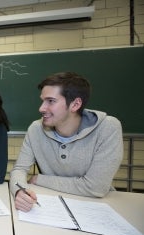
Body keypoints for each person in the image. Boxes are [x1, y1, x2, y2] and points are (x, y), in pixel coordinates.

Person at [10, 72, 123, 212]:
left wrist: (40, 179)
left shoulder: (108, 128)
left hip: (96, 207)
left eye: (50, 101)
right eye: (42, 100)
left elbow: (96, 188)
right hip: (49, 204)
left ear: (75, 104)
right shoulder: (36, 129)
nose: (41, 108)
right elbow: (19, 170)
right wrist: (20, 192)